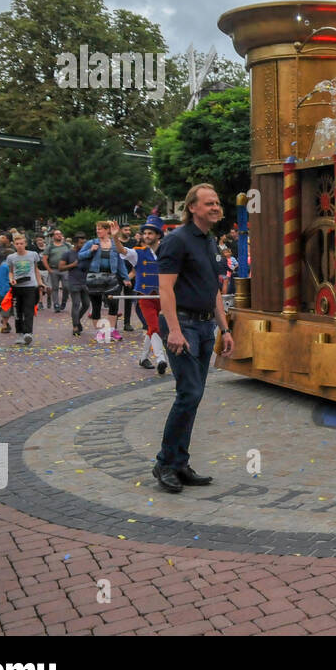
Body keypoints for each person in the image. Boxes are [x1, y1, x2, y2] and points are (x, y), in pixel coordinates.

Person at [153, 184, 235, 493]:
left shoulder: (210, 241)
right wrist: (173, 330)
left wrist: (224, 329)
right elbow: (165, 289)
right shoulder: (177, 241)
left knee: (194, 395)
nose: (215, 207)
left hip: (204, 328)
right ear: (192, 208)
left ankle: (179, 463)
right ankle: (164, 463)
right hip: (183, 326)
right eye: (209, 203)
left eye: (217, 202)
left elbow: (213, 289)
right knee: (188, 393)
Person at [79, 221, 132, 340]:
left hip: (111, 277)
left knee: (114, 304)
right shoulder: (91, 243)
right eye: (97, 229)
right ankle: (99, 332)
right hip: (94, 277)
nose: (98, 231)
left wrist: (125, 278)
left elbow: (120, 262)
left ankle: (112, 330)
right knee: (96, 305)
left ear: (107, 230)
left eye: (100, 229)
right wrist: (90, 251)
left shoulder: (115, 244)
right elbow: (80, 256)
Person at [133, 215, 167, 374]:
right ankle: (161, 359)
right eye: (145, 233)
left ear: (158, 235)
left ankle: (143, 357)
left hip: (162, 295)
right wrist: (115, 238)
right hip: (145, 296)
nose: (146, 236)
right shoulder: (138, 252)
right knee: (155, 326)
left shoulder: (166, 251)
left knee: (151, 328)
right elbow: (122, 251)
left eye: (150, 233)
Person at [6, 233, 45, 346]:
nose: (19, 246)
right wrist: (11, 279)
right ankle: (19, 333)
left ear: (25, 244)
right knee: (18, 311)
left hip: (30, 286)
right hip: (17, 287)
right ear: (14, 244)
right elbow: (11, 271)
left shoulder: (33, 255)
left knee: (29, 310)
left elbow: (36, 270)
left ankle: (28, 333)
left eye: (21, 243)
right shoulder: (11, 257)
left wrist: (40, 282)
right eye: (17, 244)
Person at [61, 232, 90, 336]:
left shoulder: (86, 253)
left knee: (86, 304)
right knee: (76, 304)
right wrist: (72, 265)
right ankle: (75, 326)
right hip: (73, 281)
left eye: (84, 242)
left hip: (85, 281)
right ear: (75, 243)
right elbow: (61, 267)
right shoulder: (68, 253)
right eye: (81, 243)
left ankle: (77, 320)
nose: (83, 245)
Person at [43, 229, 72, 312]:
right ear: (53, 237)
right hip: (54, 269)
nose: (59, 235)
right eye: (57, 234)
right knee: (54, 288)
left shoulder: (67, 245)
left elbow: (73, 253)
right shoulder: (50, 246)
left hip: (65, 269)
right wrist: (49, 269)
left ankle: (64, 301)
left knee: (66, 287)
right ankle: (56, 304)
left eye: (60, 234)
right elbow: (44, 259)